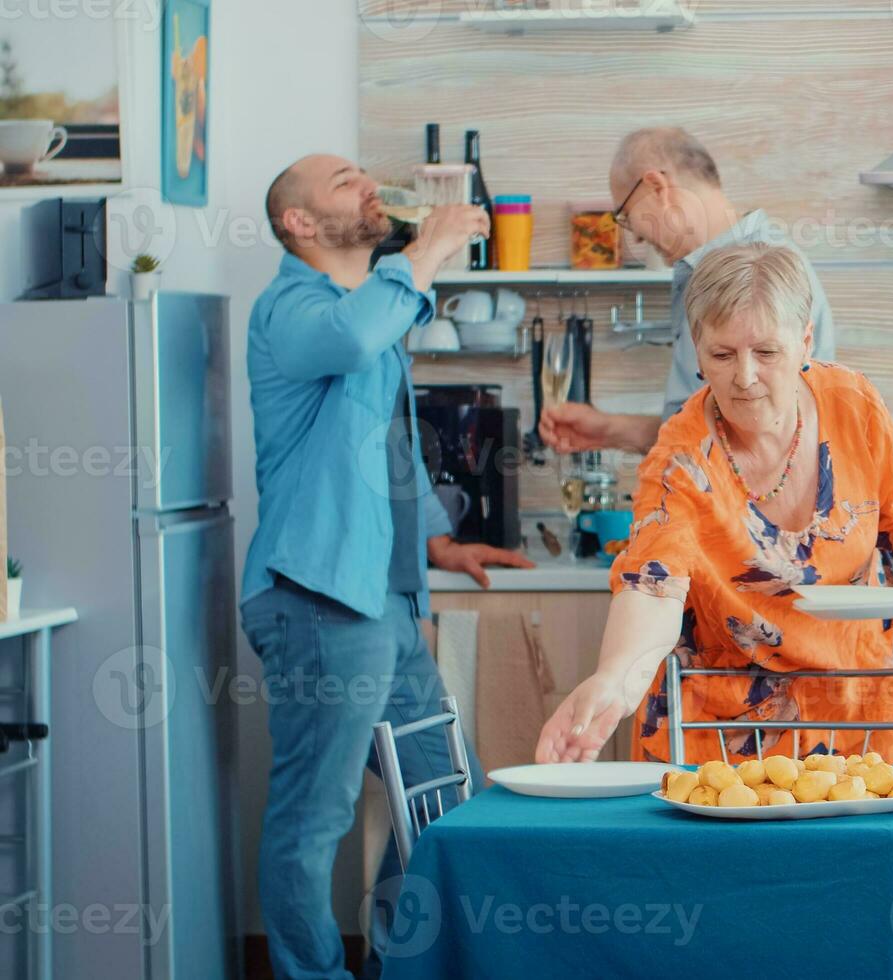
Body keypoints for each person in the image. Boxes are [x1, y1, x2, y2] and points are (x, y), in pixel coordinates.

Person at [239, 153, 533, 980]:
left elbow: (385, 453)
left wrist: (437, 544)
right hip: (316, 598)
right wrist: (430, 246)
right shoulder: (292, 307)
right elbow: (352, 337)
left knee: (445, 796)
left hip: (378, 602)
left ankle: (406, 964)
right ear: (298, 223)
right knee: (314, 817)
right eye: (342, 182)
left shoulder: (362, 307)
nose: (367, 185)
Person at [535, 243, 893, 767]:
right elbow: (651, 588)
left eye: (767, 353)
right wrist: (613, 680)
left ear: (805, 342)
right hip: (722, 730)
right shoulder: (681, 460)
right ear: (698, 349)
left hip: (859, 709)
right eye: (723, 355)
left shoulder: (853, 403)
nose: (745, 377)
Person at [540, 127, 836, 455]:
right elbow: (703, 427)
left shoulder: (755, 273)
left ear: (657, 187)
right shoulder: (711, 269)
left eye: (625, 216)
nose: (634, 237)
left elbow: (740, 447)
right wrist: (611, 432)